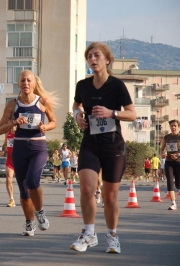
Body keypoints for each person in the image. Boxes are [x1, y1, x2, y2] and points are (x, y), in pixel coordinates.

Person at [70, 42, 136, 254]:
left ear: (107, 60)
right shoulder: (83, 85)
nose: (92, 59)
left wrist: (112, 113)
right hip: (90, 143)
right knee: (87, 188)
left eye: (97, 55)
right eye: (89, 56)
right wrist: (78, 116)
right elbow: (76, 105)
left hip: (113, 145)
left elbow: (132, 114)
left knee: (109, 197)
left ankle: (112, 235)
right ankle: (89, 233)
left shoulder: (117, 86)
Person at [0, 70, 58, 236]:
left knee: (32, 180)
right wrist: (13, 122)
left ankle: (40, 212)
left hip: (38, 148)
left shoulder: (42, 101)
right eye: (22, 80)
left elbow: (54, 122)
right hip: (19, 149)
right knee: (23, 190)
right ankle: (29, 223)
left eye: (28, 80)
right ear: (18, 83)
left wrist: (46, 127)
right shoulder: (12, 105)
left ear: (34, 83)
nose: (25, 83)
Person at [160, 119, 180, 210]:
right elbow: (162, 149)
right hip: (169, 161)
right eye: (172, 126)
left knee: (178, 184)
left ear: (178, 127)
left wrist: (178, 154)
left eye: (175, 126)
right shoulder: (166, 137)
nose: (173, 127)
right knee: (170, 182)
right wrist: (163, 153)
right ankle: (173, 203)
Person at [1, 123, 17, 207]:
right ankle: (11, 199)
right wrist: (3, 150)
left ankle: (27, 197)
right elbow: (4, 144)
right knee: (8, 178)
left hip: (19, 159)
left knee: (24, 181)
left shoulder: (20, 132)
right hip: (10, 159)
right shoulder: (7, 132)